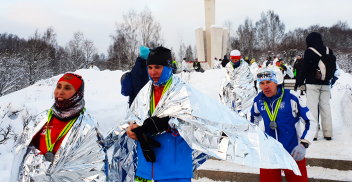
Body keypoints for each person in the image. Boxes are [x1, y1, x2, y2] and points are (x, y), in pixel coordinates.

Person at [108, 47, 301, 182]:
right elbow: (132, 119)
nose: (153, 72)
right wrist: (132, 129)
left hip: (173, 169)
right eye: (150, 68)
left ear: (168, 67)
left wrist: (169, 123)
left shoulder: (183, 92)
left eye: (157, 67)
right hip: (145, 168)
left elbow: (198, 124)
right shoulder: (145, 91)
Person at [10, 73, 107, 182]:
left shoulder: (88, 125)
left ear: (78, 94)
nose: (60, 92)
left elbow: (95, 167)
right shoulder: (41, 119)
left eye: (67, 88)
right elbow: (23, 155)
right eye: (59, 86)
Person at [251, 70, 317, 182]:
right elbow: (253, 121)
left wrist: (304, 144)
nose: (265, 87)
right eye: (262, 83)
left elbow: (310, 121)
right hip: (269, 153)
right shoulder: (259, 100)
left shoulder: (292, 97)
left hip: (292, 152)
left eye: (269, 82)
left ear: (276, 82)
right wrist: (255, 140)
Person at [297, 32, 336, 141]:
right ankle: (328, 133)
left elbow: (305, 68)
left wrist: (300, 81)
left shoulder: (309, 51)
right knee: (326, 107)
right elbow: (333, 68)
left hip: (312, 83)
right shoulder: (329, 51)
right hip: (326, 83)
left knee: (312, 108)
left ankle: (313, 134)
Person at [219, 49, 256, 116]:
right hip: (231, 95)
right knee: (232, 114)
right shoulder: (228, 67)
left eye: (236, 60)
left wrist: (237, 87)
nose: (234, 62)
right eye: (233, 60)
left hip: (242, 95)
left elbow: (248, 80)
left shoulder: (245, 67)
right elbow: (227, 78)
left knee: (242, 114)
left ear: (239, 59)